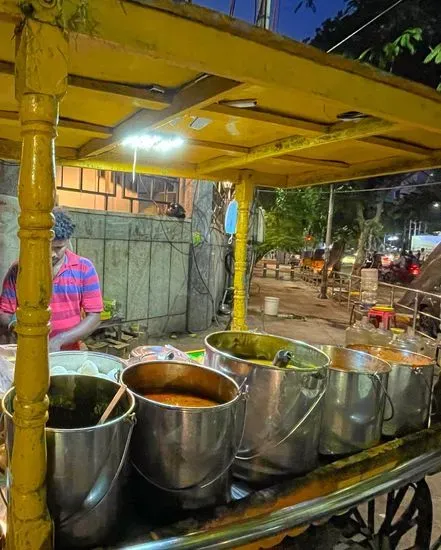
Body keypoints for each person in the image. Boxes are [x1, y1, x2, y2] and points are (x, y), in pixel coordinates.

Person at [0, 208, 103, 351]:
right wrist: (16, 326)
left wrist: (60, 340)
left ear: (67, 242)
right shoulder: (19, 269)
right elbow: (5, 312)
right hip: (28, 351)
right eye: (48, 247)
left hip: (67, 352)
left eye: (59, 247)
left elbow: (94, 316)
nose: (53, 254)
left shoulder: (84, 268)